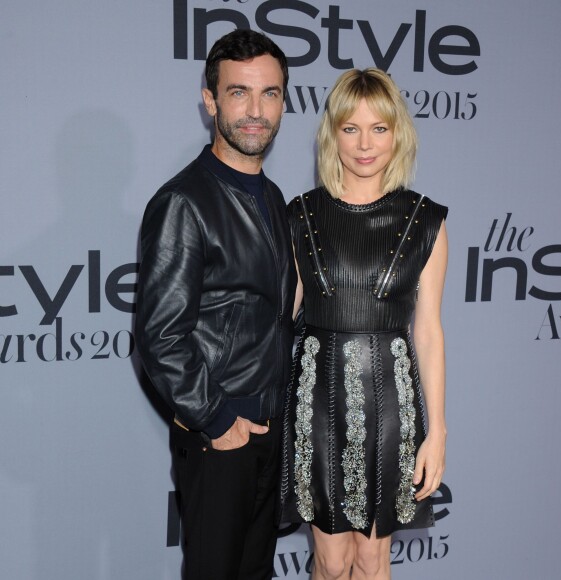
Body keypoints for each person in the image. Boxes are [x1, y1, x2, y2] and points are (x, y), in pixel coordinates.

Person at [135, 29, 296, 580]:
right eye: (238, 92)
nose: (256, 110)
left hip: (269, 434)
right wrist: (216, 417)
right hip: (220, 436)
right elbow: (160, 335)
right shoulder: (184, 201)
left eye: (270, 93)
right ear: (210, 101)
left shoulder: (272, 197)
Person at [279, 68, 448, 579]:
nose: (365, 143)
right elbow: (281, 320)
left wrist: (436, 431)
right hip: (316, 403)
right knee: (331, 561)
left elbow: (429, 333)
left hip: (390, 405)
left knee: (373, 559)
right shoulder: (301, 216)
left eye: (379, 128)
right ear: (332, 134)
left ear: (398, 133)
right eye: (350, 128)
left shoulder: (426, 220)